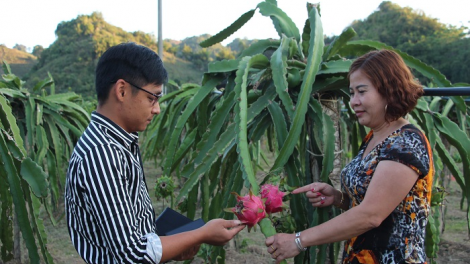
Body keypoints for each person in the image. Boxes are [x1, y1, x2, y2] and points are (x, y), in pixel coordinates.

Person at [65, 42, 245, 264]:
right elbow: (133, 254)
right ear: (122, 91)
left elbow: (134, 230)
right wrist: (202, 234)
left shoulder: (119, 141)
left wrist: (175, 244)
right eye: (152, 98)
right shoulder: (102, 153)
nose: (157, 109)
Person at [265, 49, 434, 264]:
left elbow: (371, 215)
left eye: (362, 91)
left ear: (390, 90)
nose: (353, 101)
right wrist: (338, 198)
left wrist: (298, 240)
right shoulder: (375, 137)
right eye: (352, 92)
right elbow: (381, 202)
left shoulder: (406, 144)